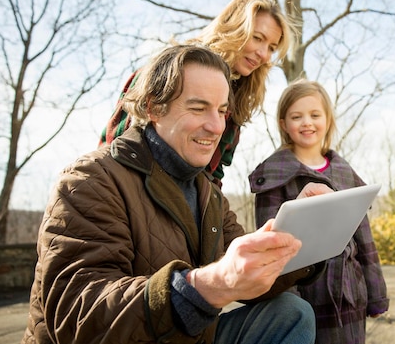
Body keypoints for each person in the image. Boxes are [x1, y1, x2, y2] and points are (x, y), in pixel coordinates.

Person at [22, 46, 330, 344]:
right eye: (198, 108)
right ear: (155, 107)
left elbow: (245, 272)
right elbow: (78, 314)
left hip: (190, 337)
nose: (215, 126)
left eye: (222, 111)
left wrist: (303, 234)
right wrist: (207, 285)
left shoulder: (208, 193)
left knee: (291, 313)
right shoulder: (90, 179)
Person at [100, 0, 294, 186]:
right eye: (257, 38)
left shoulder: (238, 99)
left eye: (271, 48)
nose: (263, 54)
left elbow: (213, 175)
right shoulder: (169, 72)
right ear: (233, 28)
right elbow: (118, 146)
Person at [248, 79, 390, 344]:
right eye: (296, 116)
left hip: (349, 293)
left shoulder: (346, 174)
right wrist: (288, 301)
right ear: (283, 124)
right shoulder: (274, 176)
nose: (307, 123)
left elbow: (365, 241)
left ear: (328, 120)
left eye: (315, 115)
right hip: (304, 292)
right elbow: (271, 243)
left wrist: (376, 294)